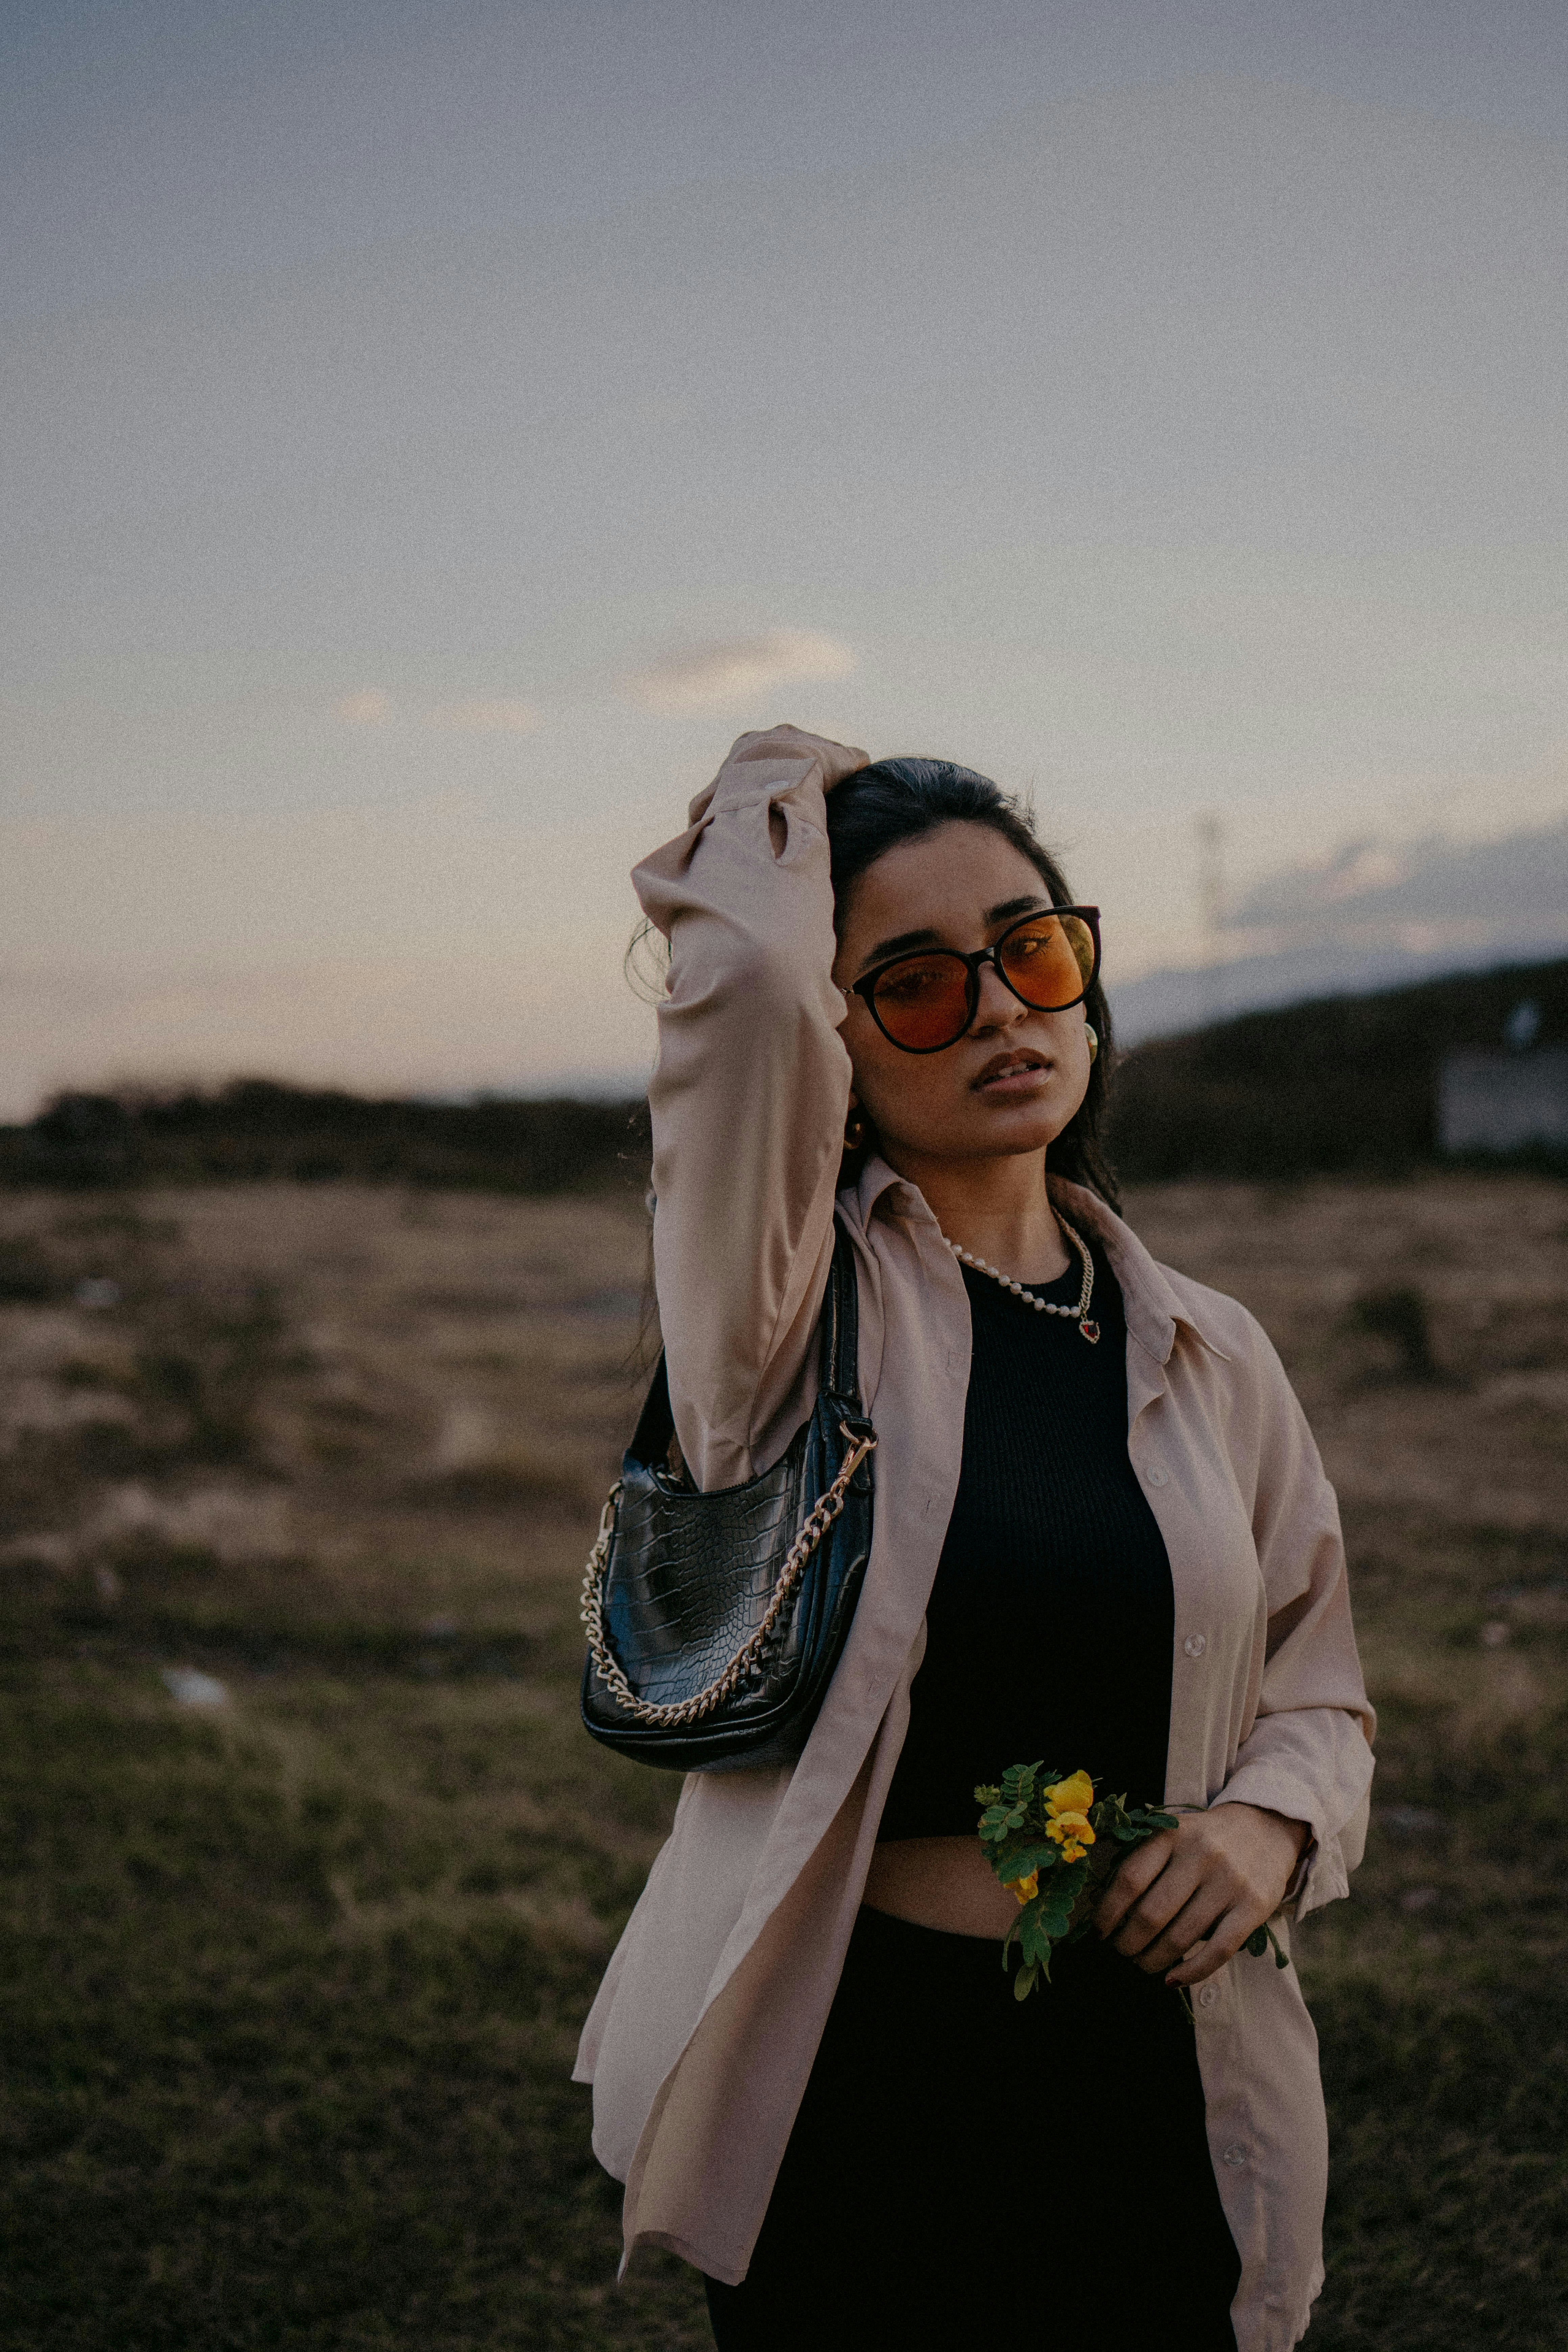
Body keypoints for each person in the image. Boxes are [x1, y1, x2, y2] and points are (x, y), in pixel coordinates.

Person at [575, 725, 1374, 2352]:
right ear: (837, 1034)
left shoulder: (1208, 1347)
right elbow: (728, 993)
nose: (1001, 1006)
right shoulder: (782, 1323)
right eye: (919, 982)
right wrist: (789, 783)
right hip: (865, 2076)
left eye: (1029, 948)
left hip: (1162, 2057)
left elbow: (1322, 1686)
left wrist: (1272, 1828)